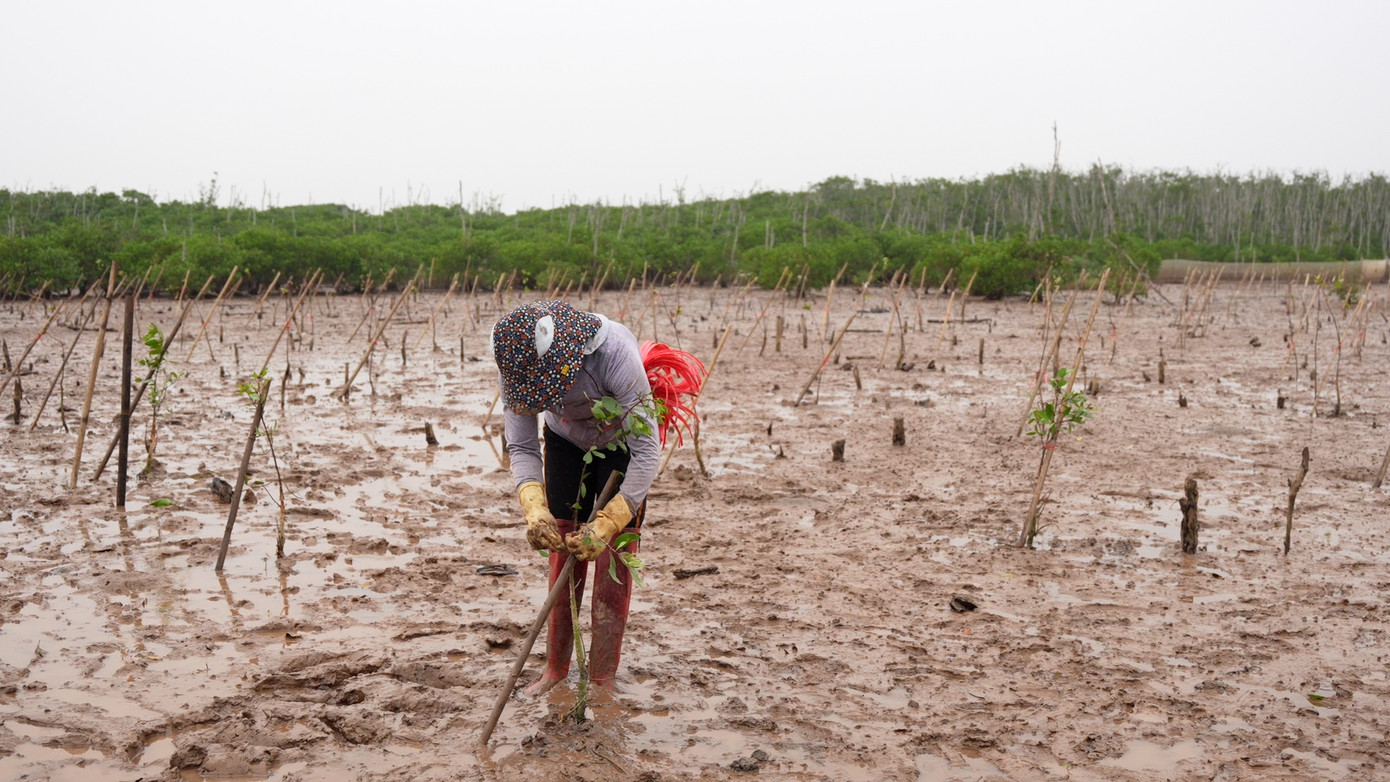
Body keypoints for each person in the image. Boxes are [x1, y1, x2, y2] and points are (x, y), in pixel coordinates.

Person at [492, 299, 702, 693]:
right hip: (565, 440)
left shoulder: (613, 354)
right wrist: (534, 507)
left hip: (622, 443)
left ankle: (602, 677)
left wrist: (609, 521)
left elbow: (646, 451)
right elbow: (521, 447)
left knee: (615, 553)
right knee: (563, 543)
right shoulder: (515, 363)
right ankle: (555, 669)